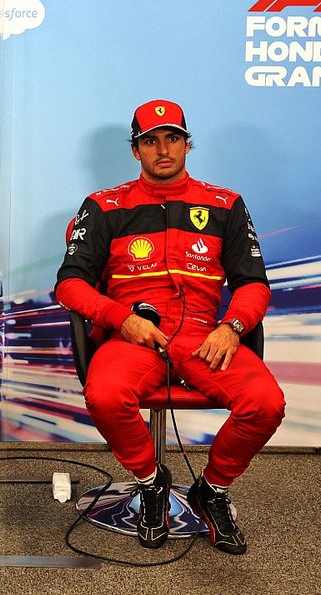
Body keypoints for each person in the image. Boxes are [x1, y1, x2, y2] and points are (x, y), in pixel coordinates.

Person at [56, 99, 285, 554]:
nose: (163, 149)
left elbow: (254, 285)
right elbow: (70, 286)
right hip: (134, 335)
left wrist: (232, 326)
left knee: (265, 403)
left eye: (172, 138)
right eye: (150, 141)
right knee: (104, 395)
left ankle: (212, 490)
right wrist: (122, 320)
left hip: (204, 335)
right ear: (136, 151)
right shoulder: (104, 206)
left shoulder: (226, 204)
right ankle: (150, 481)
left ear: (186, 144)